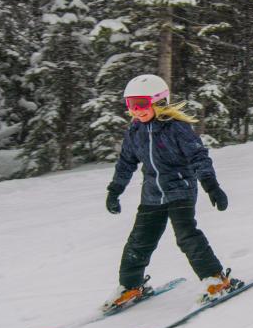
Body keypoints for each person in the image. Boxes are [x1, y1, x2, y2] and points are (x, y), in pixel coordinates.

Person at [102, 73, 240, 311]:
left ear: (158, 101)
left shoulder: (176, 128)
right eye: (131, 105)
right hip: (152, 194)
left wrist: (212, 186)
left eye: (142, 104)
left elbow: (199, 157)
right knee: (139, 241)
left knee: (186, 235)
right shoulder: (135, 132)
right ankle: (131, 285)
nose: (137, 110)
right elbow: (126, 163)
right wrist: (115, 190)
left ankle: (216, 279)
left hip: (180, 189)